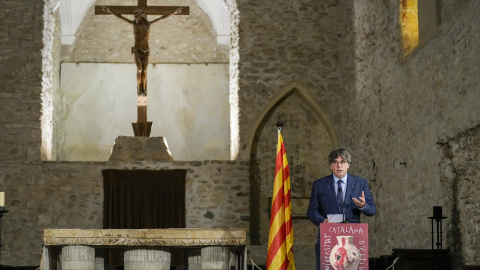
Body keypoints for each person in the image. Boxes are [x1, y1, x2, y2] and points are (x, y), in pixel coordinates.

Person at [307, 148, 377, 270]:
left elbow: (372, 210)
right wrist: (323, 222)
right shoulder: (319, 185)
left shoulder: (361, 183)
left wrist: (363, 206)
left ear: (348, 165)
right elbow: (312, 211)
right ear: (331, 165)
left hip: (353, 239)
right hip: (328, 237)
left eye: (343, 162)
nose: (339, 165)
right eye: (335, 162)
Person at [101, 6, 183, 96]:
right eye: (134, 14)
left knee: (144, 70)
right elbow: (121, 17)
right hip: (137, 50)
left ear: (141, 15)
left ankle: (143, 88)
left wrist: (174, 12)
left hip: (146, 50)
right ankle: (138, 87)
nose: (135, 16)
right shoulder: (134, 24)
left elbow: (162, 18)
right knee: (139, 69)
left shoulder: (148, 24)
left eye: (137, 14)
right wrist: (110, 11)